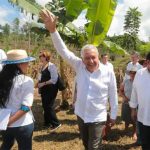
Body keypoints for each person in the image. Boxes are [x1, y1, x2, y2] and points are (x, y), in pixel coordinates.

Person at [40, 10, 118, 149]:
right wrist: (53, 30)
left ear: (98, 56)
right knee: (85, 144)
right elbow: (63, 51)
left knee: (94, 146)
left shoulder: (108, 71)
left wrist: (112, 115)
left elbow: (113, 95)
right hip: (81, 114)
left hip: (98, 117)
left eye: (93, 57)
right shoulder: (79, 66)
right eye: (87, 58)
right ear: (82, 59)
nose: (91, 61)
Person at [0, 49, 35, 150]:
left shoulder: (1, 79)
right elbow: (26, 107)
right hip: (22, 124)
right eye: (26, 62)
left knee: (6, 145)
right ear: (20, 64)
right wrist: (10, 121)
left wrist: (6, 122)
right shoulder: (26, 81)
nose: (28, 65)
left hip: (4, 122)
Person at [129, 52, 150, 150]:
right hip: (143, 117)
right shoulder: (140, 74)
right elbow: (134, 91)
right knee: (145, 144)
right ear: (148, 62)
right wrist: (133, 109)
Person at [37, 50, 61, 130]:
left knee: (49, 106)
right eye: (40, 56)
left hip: (51, 89)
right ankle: (47, 123)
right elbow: (40, 77)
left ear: (46, 57)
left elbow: (54, 79)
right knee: (45, 106)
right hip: (44, 89)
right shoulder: (42, 66)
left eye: (42, 56)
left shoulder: (51, 66)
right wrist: (38, 83)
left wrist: (43, 83)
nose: (40, 57)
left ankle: (56, 123)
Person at [120, 66, 138, 140]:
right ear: (129, 74)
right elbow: (121, 91)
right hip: (126, 102)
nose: (132, 74)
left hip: (136, 103)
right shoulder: (126, 81)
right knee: (126, 117)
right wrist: (124, 97)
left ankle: (135, 132)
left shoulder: (139, 82)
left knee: (134, 118)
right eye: (131, 73)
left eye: (134, 73)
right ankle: (126, 129)